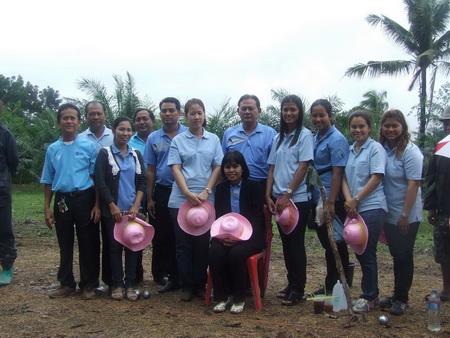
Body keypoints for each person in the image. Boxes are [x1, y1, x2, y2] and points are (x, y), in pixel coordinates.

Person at [41, 103, 101, 299]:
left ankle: (89, 284)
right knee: (64, 242)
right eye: (65, 118)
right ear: (59, 122)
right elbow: (48, 180)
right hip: (62, 201)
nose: (69, 121)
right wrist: (47, 208)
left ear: (79, 121)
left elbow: (96, 178)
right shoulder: (52, 149)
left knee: (88, 242)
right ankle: (66, 283)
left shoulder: (89, 146)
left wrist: (97, 205)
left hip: (85, 198)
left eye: (72, 118)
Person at [168, 98, 223, 301]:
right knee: (183, 245)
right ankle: (186, 285)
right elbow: (175, 168)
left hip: (206, 200)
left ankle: (200, 285)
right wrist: (187, 193)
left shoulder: (214, 140)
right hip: (180, 200)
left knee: (202, 244)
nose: (196, 117)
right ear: (185, 116)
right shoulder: (178, 141)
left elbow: (217, 166)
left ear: (204, 115)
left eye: (200, 113)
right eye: (192, 113)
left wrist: (207, 190)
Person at [265, 94, 314, 306]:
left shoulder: (305, 135)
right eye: (285, 109)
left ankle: (298, 289)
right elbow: (272, 168)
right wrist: (269, 194)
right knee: (286, 244)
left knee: (295, 244)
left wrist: (288, 194)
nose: (288, 113)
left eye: (293, 109)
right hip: (278, 199)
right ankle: (290, 283)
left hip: (297, 199)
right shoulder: (279, 138)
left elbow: (303, 166)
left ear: (299, 112)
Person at [95, 116, 146, 301]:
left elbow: (142, 182)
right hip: (113, 211)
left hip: (132, 210)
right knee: (114, 247)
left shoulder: (136, 154)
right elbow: (100, 181)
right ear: (114, 131)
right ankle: (116, 284)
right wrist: (111, 205)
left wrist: (135, 206)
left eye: (128, 130)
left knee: (133, 245)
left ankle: (130, 284)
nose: (125, 133)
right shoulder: (104, 153)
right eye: (121, 129)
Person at [377, 109, 423, 315]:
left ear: (403, 127)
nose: (390, 129)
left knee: (404, 255)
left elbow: (413, 185)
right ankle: (396, 294)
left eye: (395, 125)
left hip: (406, 215)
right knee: (396, 254)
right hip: (388, 212)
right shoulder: (381, 149)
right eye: (387, 125)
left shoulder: (410, 152)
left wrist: (404, 215)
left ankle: (402, 299)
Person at [341, 110, 387, 313]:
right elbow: (342, 177)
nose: (357, 130)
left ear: (370, 128)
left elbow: (376, 177)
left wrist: (357, 199)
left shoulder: (375, 149)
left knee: (367, 253)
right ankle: (372, 294)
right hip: (353, 207)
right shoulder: (351, 150)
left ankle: (369, 296)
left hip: (372, 207)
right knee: (360, 252)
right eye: (354, 126)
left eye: (362, 126)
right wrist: (349, 200)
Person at [209, 151, 266, 314]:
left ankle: (239, 298)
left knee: (236, 253)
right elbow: (220, 217)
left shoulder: (254, 187)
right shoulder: (220, 189)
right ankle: (221, 297)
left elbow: (256, 218)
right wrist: (224, 237)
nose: (231, 170)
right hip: (225, 235)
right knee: (214, 252)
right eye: (227, 167)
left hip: (251, 236)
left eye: (235, 166)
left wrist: (239, 239)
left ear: (242, 168)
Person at [144, 97, 186, 292]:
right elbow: (151, 169)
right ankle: (162, 275)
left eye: (171, 110)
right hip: (162, 191)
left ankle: (181, 275)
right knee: (161, 234)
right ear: (160, 114)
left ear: (179, 113)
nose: (167, 114)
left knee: (182, 235)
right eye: (164, 110)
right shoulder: (153, 138)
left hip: (185, 192)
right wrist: (150, 197)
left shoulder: (188, 134)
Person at [310, 99, 349, 295]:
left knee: (337, 240)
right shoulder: (316, 137)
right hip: (318, 194)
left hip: (332, 197)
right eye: (315, 115)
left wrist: (331, 202)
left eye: (322, 115)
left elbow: (338, 172)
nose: (318, 119)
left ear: (330, 116)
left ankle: (341, 284)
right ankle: (331, 282)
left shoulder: (337, 138)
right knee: (327, 242)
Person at [79, 101, 118, 288]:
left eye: (99, 113)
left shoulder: (115, 136)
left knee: (112, 239)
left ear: (105, 115)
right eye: (91, 114)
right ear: (86, 117)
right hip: (88, 195)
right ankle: (90, 282)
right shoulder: (79, 138)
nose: (95, 117)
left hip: (113, 196)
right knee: (90, 239)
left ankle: (111, 280)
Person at [222, 94, 276, 192]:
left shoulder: (270, 133)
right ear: (238, 111)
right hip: (235, 185)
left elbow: (275, 165)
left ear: (259, 111)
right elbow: (223, 161)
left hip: (262, 186)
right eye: (243, 108)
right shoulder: (229, 133)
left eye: (251, 108)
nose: (247, 112)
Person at [424, 106, 450, 303]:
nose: (448, 125)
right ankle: (447, 289)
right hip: (443, 210)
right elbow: (431, 179)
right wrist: (431, 207)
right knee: (443, 251)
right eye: (445, 122)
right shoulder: (441, 147)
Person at [0, 100, 19, 286]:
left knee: (3, 228)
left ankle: (6, 266)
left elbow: (13, 161)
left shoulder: (5, 135)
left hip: (1, 190)